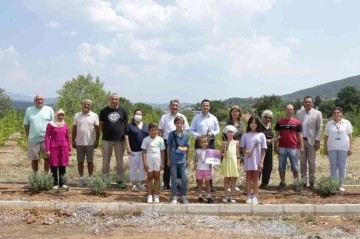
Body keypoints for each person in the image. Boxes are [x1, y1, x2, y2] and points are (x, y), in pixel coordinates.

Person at [158, 99, 190, 190]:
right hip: (166, 142)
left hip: (180, 143)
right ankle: (166, 184)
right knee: (167, 164)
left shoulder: (182, 117)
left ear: (179, 107)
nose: (174, 107)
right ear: (169, 106)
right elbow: (160, 130)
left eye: (176, 105)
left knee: (180, 163)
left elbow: (186, 130)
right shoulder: (164, 117)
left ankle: (178, 184)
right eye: (173, 105)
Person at [190, 99, 220, 192]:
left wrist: (212, 133)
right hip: (199, 142)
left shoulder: (213, 118)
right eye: (204, 105)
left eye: (207, 106)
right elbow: (191, 130)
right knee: (199, 163)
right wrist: (198, 136)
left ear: (209, 107)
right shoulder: (196, 118)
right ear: (201, 106)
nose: (205, 107)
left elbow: (218, 130)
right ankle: (198, 185)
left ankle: (210, 185)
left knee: (210, 164)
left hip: (210, 143)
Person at [99, 93, 128, 188]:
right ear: (109, 99)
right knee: (105, 160)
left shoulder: (123, 110)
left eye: (116, 99)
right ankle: (105, 179)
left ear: (118, 100)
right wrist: (107, 132)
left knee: (120, 161)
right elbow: (101, 125)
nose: (114, 101)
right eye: (112, 99)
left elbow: (126, 125)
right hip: (106, 139)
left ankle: (120, 179)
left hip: (120, 140)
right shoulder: (103, 111)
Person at [274, 104, 304, 192]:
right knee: (281, 167)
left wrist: (301, 146)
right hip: (282, 147)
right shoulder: (280, 122)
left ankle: (296, 184)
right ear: (285, 110)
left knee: (295, 167)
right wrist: (275, 146)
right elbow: (277, 135)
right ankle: (282, 182)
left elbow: (300, 135)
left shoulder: (297, 122)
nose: (289, 111)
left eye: (291, 109)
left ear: (293, 111)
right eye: (288, 109)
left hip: (293, 147)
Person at [296, 96, 323, 190]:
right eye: (306, 102)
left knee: (312, 163)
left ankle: (312, 182)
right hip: (301, 142)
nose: (307, 103)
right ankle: (303, 182)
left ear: (312, 103)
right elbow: (297, 127)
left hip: (312, 141)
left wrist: (318, 141)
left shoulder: (317, 113)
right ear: (304, 103)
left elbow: (320, 127)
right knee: (302, 162)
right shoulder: (299, 113)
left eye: (309, 102)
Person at [23, 94, 54, 173]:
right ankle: (35, 176)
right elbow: (26, 124)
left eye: (41, 99)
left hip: (46, 139)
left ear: (44, 101)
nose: (39, 101)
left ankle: (46, 176)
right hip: (33, 139)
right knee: (34, 159)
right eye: (37, 99)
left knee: (47, 158)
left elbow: (54, 124)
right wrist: (28, 136)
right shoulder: (29, 110)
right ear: (34, 101)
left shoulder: (49, 110)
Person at [324, 107, 353, 192]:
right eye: (334, 113)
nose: (336, 114)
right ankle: (334, 184)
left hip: (343, 148)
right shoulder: (329, 123)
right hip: (332, 148)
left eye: (338, 112)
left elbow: (350, 136)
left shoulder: (346, 123)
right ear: (332, 114)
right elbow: (326, 137)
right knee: (333, 166)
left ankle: (340, 185)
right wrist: (325, 147)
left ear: (341, 114)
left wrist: (350, 147)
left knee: (342, 166)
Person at [72, 99, 100, 187]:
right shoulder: (77, 115)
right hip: (79, 143)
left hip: (90, 143)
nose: (86, 105)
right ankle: (81, 178)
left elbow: (97, 129)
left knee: (90, 162)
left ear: (90, 106)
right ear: (82, 104)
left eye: (88, 104)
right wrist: (73, 140)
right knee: (80, 162)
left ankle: (90, 179)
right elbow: (74, 129)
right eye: (85, 104)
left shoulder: (94, 115)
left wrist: (97, 140)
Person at [240, 116, 267, 205]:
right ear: (249, 124)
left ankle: (254, 195)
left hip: (257, 160)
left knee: (256, 178)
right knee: (248, 178)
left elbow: (263, 149)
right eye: (251, 123)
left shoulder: (261, 135)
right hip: (248, 160)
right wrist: (245, 151)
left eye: (255, 123)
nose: (253, 124)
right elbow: (242, 148)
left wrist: (262, 161)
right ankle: (248, 195)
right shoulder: (245, 135)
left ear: (257, 124)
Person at [45, 109, 71, 189]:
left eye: (62, 115)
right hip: (54, 147)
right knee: (54, 165)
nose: (61, 116)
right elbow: (47, 137)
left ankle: (62, 183)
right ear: (56, 115)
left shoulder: (65, 125)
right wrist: (47, 149)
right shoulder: (51, 124)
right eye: (59, 115)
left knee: (63, 165)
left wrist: (69, 149)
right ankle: (55, 183)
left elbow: (67, 137)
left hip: (64, 147)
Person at [167, 116, 190, 204]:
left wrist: (188, 158)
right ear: (175, 124)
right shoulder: (171, 134)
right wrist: (168, 158)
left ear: (183, 124)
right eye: (178, 123)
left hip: (182, 159)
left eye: (181, 123)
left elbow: (188, 147)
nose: (179, 125)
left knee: (184, 177)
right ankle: (174, 196)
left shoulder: (186, 134)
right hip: (173, 159)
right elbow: (168, 146)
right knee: (173, 178)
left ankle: (183, 195)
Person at [125, 109, 149, 191]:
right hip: (133, 151)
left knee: (143, 167)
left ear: (142, 116)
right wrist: (128, 147)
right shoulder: (129, 126)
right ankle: (134, 184)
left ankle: (142, 184)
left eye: (140, 114)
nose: (138, 115)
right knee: (133, 167)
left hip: (144, 151)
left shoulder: (145, 126)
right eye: (137, 114)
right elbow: (126, 136)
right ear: (134, 115)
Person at [222, 105, 245, 192]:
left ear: (239, 113)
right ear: (231, 113)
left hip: (238, 148)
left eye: (236, 111)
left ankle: (234, 185)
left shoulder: (242, 123)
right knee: (228, 167)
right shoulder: (227, 123)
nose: (235, 113)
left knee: (236, 167)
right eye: (233, 112)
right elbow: (223, 135)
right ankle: (227, 185)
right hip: (228, 148)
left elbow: (243, 135)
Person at [141, 123, 165, 203]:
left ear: (157, 130)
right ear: (149, 131)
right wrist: (145, 163)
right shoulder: (146, 139)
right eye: (152, 130)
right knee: (149, 177)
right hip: (149, 159)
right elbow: (144, 152)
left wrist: (162, 163)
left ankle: (156, 195)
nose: (154, 132)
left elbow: (162, 152)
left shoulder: (160, 140)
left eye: (155, 130)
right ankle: (150, 195)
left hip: (158, 159)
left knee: (157, 177)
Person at [220, 125, 241, 203]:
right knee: (226, 179)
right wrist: (223, 154)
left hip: (233, 162)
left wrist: (238, 164)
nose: (230, 133)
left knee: (233, 180)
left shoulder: (236, 143)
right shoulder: (224, 143)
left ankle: (232, 195)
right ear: (226, 133)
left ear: (234, 133)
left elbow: (238, 154)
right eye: (228, 132)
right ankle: (225, 195)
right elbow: (220, 153)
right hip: (226, 161)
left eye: (231, 132)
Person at [195, 136, 213, 204]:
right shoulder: (197, 151)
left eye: (205, 142)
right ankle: (200, 196)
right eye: (202, 142)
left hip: (207, 169)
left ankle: (209, 197)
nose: (203, 143)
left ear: (207, 142)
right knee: (199, 183)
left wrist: (212, 164)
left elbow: (212, 160)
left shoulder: (210, 151)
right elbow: (196, 159)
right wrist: (195, 162)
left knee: (208, 184)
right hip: (199, 169)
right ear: (200, 143)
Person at [259, 110, 274, 189]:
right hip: (259, 149)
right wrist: (264, 141)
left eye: (270, 118)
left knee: (268, 166)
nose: (268, 119)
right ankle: (255, 182)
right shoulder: (258, 125)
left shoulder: (270, 125)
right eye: (266, 117)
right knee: (259, 165)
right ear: (262, 117)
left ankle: (265, 183)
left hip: (269, 148)